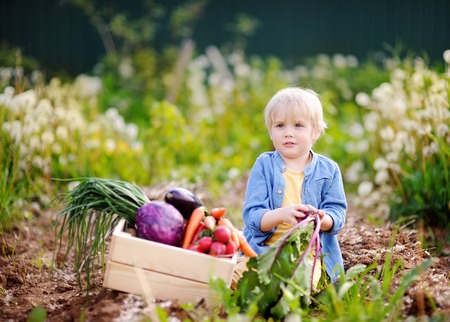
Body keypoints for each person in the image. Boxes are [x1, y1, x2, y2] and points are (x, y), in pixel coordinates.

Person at [231, 86, 347, 290]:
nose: (288, 133)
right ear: (271, 131)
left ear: (315, 132)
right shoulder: (264, 165)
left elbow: (337, 215)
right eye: (280, 125)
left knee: (300, 287)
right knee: (238, 281)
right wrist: (282, 214)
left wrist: (321, 218)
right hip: (262, 249)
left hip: (305, 253)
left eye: (298, 125)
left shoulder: (329, 170)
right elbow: (253, 217)